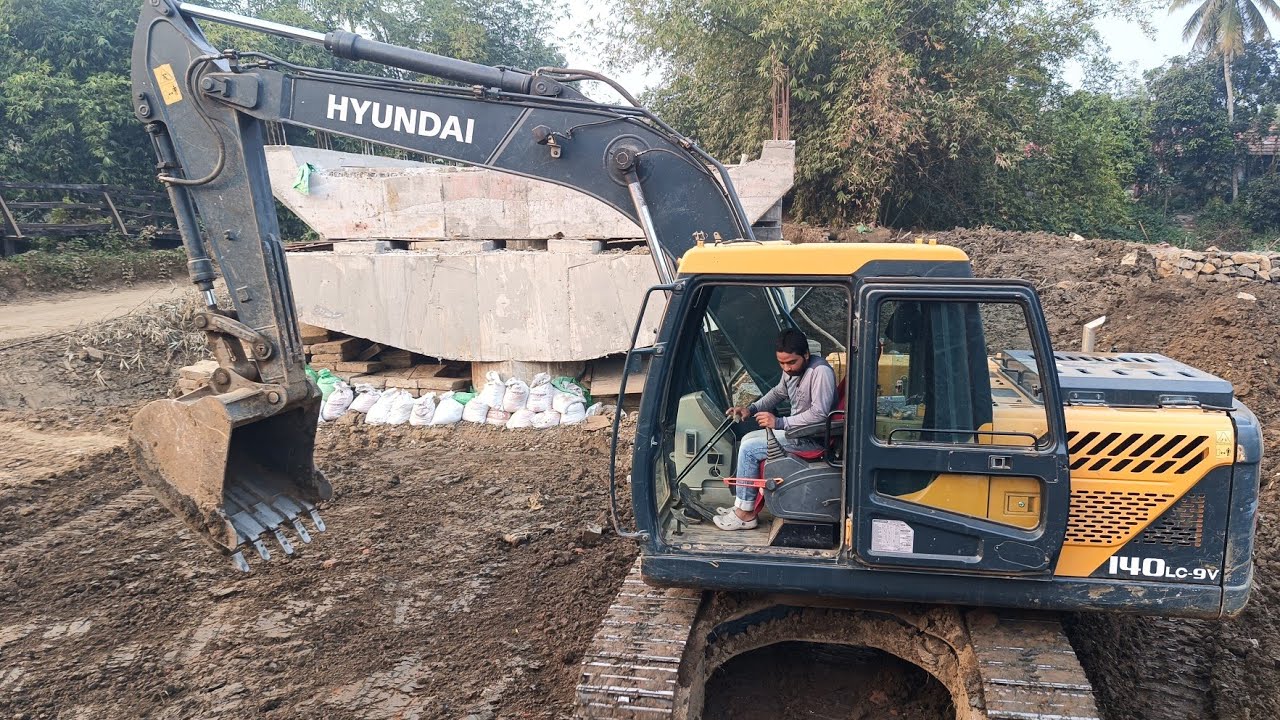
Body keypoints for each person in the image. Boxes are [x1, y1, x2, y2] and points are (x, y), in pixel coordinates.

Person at [714, 328, 837, 531]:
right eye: (782, 363)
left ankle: (745, 514)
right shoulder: (792, 371)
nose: (787, 368)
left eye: (791, 362)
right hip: (797, 433)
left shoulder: (820, 372)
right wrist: (750, 409)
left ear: (806, 355)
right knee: (748, 440)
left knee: (750, 449)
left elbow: (820, 415)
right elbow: (778, 393)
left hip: (812, 439)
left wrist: (779, 422)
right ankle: (743, 505)